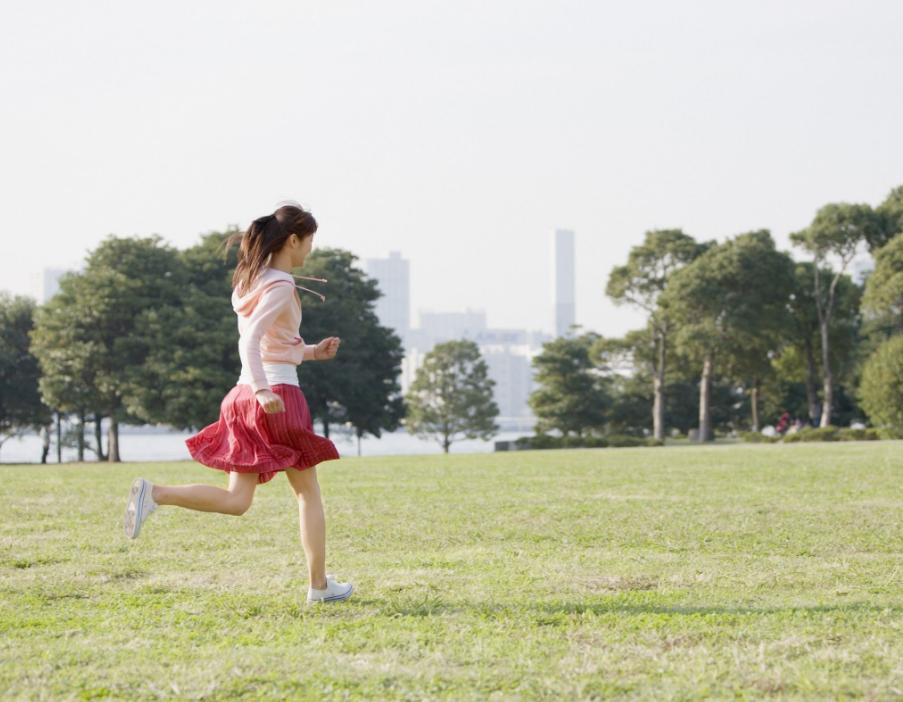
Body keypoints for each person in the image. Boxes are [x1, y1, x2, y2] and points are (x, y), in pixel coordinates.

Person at [123, 201, 353, 604]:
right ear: (293, 239)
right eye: (309, 241)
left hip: (240, 398)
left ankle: (154, 494)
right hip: (274, 396)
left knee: (236, 501)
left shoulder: (249, 282)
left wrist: (313, 351)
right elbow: (252, 341)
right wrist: (265, 389)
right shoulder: (280, 284)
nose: (309, 251)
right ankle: (319, 587)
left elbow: (271, 343)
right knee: (308, 494)